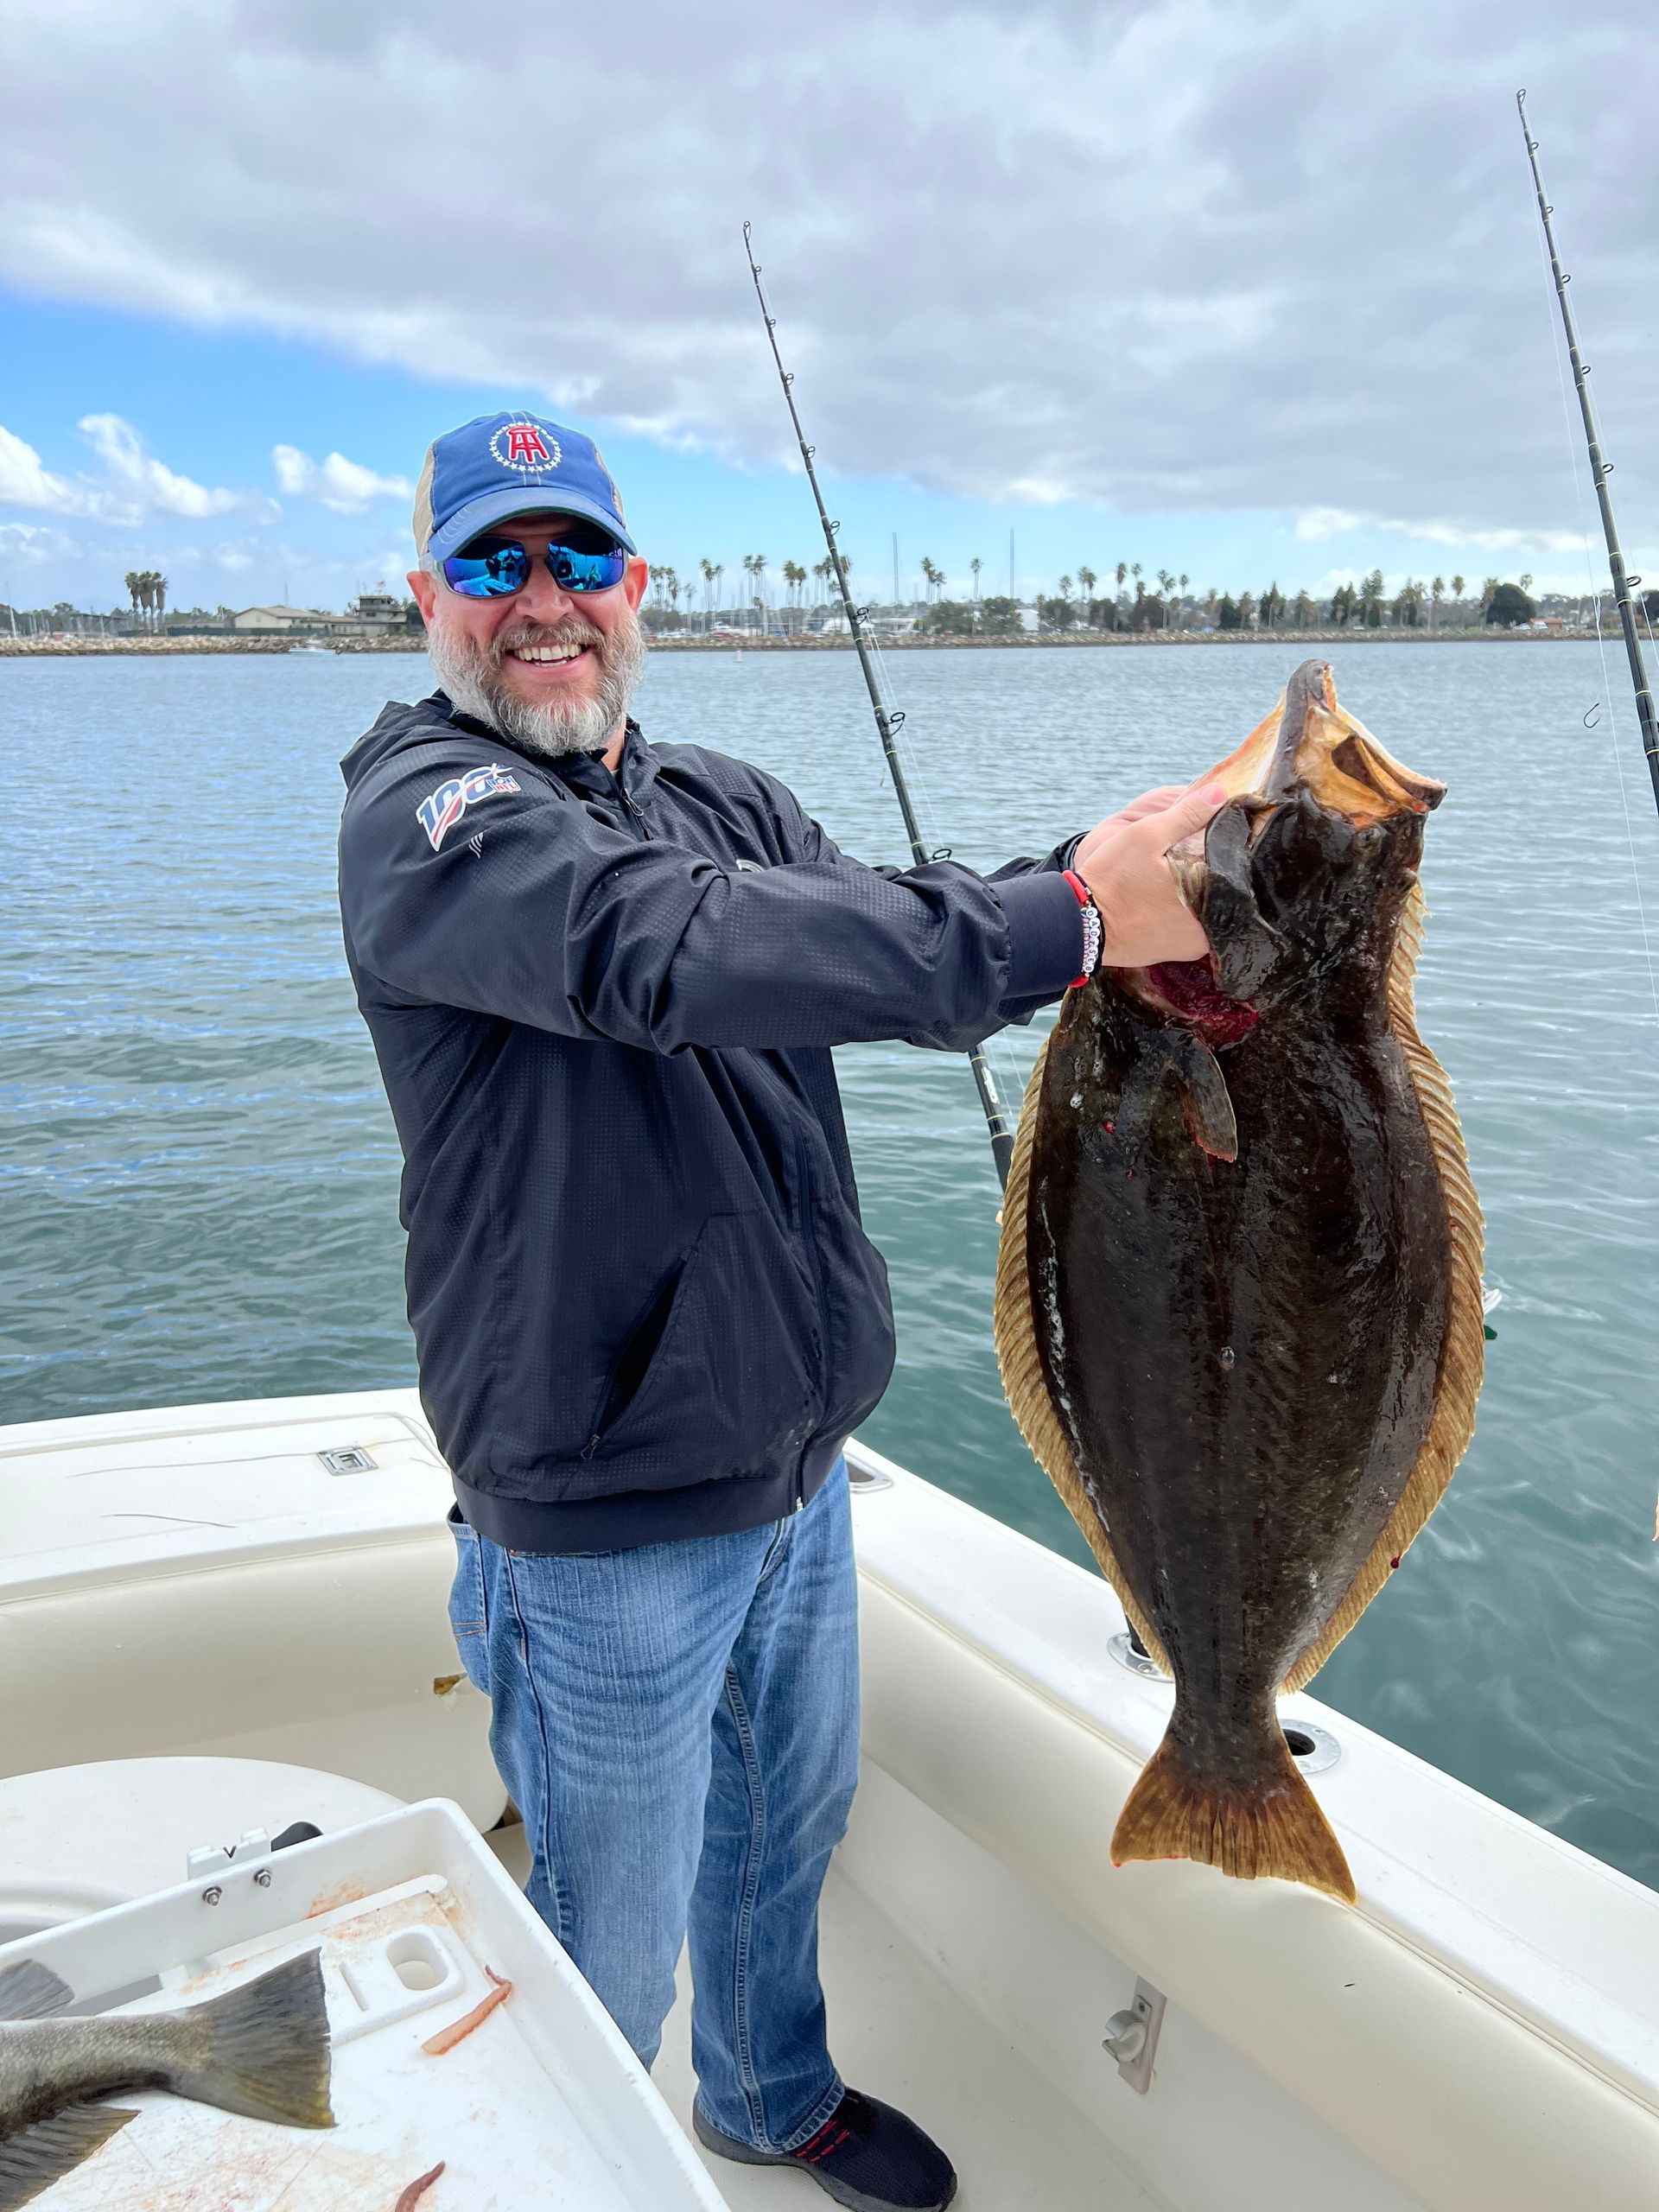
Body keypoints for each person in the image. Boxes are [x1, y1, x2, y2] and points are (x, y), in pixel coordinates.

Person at [337, 410, 1221, 2212]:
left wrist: (1118, 860)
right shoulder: (433, 819)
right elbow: (654, 948)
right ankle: (565, 2176)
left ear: (633, 587)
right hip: (600, 1519)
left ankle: (768, 2093)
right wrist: (1063, 920)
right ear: (427, 594)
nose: (541, 601)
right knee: (607, 1920)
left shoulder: (718, 796)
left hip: (797, 1464)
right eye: (494, 562)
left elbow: (861, 922)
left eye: (577, 558)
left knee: (784, 1830)